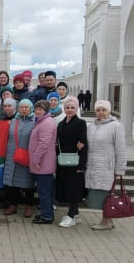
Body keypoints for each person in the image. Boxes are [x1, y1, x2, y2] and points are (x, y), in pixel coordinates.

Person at [85, 100, 126, 230]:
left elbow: (121, 149)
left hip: (107, 166)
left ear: (109, 111)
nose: (101, 113)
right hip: (93, 165)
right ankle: (109, 219)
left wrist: (120, 168)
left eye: (104, 110)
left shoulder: (116, 126)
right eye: (98, 110)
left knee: (106, 194)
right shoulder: (91, 126)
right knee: (103, 194)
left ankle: (105, 221)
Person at [56, 97, 88, 228]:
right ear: (64, 109)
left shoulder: (80, 123)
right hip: (63, 160)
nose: (69, 110)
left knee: (74, 188)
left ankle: (71, 215)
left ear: (76, 109)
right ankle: (74, 214)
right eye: (67, 107)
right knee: (66, 187)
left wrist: (82, 165)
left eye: (72, 108)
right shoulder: (61, 123)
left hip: (75, 161)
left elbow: (84, 144)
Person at [3, 99, 36, 218]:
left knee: (28, 183)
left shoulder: (35, 122)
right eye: (22, 107)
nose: (24, 109)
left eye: (26, 107)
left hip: (27, 157)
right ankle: (13, 205)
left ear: (31, 108)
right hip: (12, 156)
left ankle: (29, 206)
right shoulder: (13, 121)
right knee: (13, 183)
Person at [29, 100, 57, 224]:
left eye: (40, 109)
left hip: (43, 163)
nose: (37, 111)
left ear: (46, 110)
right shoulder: (42, 121)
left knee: (44, 191)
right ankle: (46, 213)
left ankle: (47, 216)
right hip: (42, 163)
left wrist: (36, 158)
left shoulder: (47, 123)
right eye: (36, 109)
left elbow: (43, 144)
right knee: (44, 190)